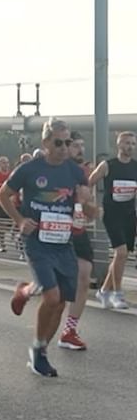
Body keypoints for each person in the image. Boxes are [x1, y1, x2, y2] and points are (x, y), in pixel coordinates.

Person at [0, 118, 89, 377]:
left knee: (60, 303)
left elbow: (89, 208)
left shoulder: (75, 171)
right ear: (46, 142)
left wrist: (87, 204)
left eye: (67, 142)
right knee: (52, 297)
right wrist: (19, 220)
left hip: (63, 243)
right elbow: (2, 194)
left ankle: (41, 345)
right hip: (37, 241)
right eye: (58, 142)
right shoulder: (29, 169)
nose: (63, 147)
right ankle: (37, 349)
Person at [88, 131, 137, 310]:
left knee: (121, 256)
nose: (130, 147)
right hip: (111, 214)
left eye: (132, 143)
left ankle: (103, 290)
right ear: (118, 145)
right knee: (121, 253)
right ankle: (117, 294)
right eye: (126, 143)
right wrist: (92, 204)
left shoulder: (135, 166)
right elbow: (89, 182)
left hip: (129, 215)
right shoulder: (107, 165)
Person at [57, 131, 96, 350]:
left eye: (82, 145)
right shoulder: (51, 170)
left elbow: (87, 209)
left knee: (84, 278)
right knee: (53, 287)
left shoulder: (84, 172)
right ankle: (25, 290)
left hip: (78, 232)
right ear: (64, 148)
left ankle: (69, 331)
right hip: (54, 233)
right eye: (75, 146)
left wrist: (88, 206)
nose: (80, 150)